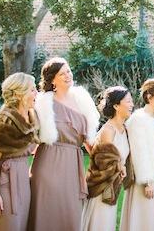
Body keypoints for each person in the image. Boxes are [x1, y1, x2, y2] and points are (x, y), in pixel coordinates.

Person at [29, 57, 99, 231]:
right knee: (47, 211)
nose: (68, 75)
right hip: (49, 163)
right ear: (52, 79)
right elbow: (29, 134)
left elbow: (89, 140)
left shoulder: (83, 100)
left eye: (68, 71)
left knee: (70, 211)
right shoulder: (43, 103)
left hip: (72, 165)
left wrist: (103, 162)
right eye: (62, 73)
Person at [0, 73, 38, 231]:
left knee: (20, 223)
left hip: (23, 178)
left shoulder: (31, 116)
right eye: (32, 89)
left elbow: (28, 147)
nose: (37, 93)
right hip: (6, 180)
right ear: (20, 93)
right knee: (7, 223)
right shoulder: (4, 120)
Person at [120, 78, 154, 231]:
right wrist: (147, 182)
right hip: (144, 179)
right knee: (141, 218)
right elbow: (139, 152)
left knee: (151, 219)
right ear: (149, 97)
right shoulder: (138, 119)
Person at [81, 86, 133, 231]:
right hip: (101, 186)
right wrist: (120, 167)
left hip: (114, 184)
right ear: (116, 106)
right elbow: (104, 161)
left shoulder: (125, 129)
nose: (132, 105)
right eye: (128, 101)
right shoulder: (108, 131)